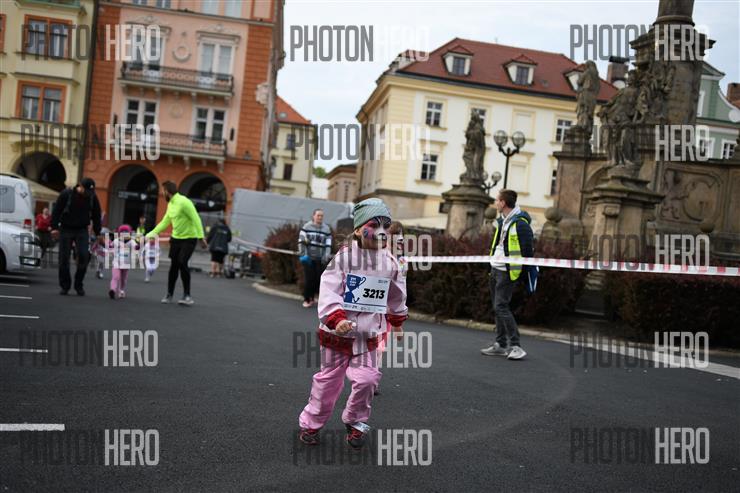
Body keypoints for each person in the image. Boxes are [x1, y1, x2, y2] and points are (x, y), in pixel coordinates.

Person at [298, 198, 407, 449]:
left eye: (386, 226)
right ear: (358, 230)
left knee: (368, 380)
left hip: (367, 337)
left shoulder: (390, 263)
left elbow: (397, 295)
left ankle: (355, 421)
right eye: (374, 225)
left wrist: (398, 322)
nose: (381, 231)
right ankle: (311, 423)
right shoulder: (344, 258)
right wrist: (337, 319)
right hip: (336, 336)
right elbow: (329, 290)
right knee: (327, 383)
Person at [480, 189, 534, 361]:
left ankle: (516, 346)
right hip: (495, 269)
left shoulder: (521, 224)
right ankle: (501, 345)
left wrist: (523, 273)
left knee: (501, 307)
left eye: (497, 200)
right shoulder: (503, 221)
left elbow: (528, 251)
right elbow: (498, 245)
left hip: (507, 271)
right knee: (497, 307)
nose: (496, 203)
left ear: (503, 203)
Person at [146, 181, 206, 306]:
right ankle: (169, 294)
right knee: (174, 266)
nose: (162, 193)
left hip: (189, 238)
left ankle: (187, 296)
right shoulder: (171, 204)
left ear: (167, 191)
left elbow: (196, 218)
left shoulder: (184, 202)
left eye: (163, 191)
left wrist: (201, 237)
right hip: (176, 239)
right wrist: (149, 235)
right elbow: (165, 222)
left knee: (182, 262)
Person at [51, 177, 102, 296]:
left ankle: (78, 284)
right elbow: (56, 211)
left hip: (82, 230)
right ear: (80, 186)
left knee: (84, 256)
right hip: (66, 228)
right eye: (86, 191)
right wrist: (54, 227)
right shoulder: (66, 194)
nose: (88, 194)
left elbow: (96, 215)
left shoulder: (92, 197)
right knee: (64, 258)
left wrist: (98, 232)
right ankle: (65, 286)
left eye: (90, 191)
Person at [375, 220, 407, 396]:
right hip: (374, 308)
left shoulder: (401, 260)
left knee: (379, 346)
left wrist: (398, 322)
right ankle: (365, 377)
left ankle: (371, 380)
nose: (400, 240)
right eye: (396, 236)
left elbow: (400, 290)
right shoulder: (379, 256)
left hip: (388, 311)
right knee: (371, 344)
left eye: (401, 236)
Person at [298, 209, 332, 308]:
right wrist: (303, 254)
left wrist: (326, 256)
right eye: (318, 215)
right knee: (309, 279)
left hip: (320, 259)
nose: (320, 217)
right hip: (308, 258)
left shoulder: (326, 229)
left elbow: (328, 244)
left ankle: (312, 297)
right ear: (313, 216)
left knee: (317, 279)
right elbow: (301, 242)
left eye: (321, 216)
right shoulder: (306, 227)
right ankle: (307, 299)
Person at [109, 224, 135, 300]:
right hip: (116, 262)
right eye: (122, 232)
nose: (124, 234)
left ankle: (121, 290)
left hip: (126, 263)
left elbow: (135, 247)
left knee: (123, 279)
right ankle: (113, 290)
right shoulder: (116, 241)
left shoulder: (131, 242)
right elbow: (110, 246)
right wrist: (108, 244)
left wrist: (139, 245)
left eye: (126, 232)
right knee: (115, 277)